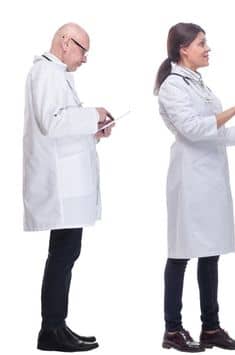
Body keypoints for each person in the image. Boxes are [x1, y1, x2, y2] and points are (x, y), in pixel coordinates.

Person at [154, 22, 235, 353]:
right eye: (202, 44)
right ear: (183, 49)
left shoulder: (199, 84)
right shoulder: (172, 86)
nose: (208, 49)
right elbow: (193, 129)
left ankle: (211, 327)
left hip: (211, 178)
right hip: (189, 179)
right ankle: (173, 330)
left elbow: (213, 133)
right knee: (181, 252)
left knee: (211, 252)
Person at [25, 22, 109, 353]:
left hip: (68, 184)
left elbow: (64, 124)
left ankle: (57, 326)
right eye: (82, 49)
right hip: (59, 187)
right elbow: (52, 121)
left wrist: (94, 130)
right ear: (64, 42)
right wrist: (94, 114)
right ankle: (51, 330)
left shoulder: (58, 75)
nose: (85, 58)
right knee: (62, 255)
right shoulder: (46, 73)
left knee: (66, 253)